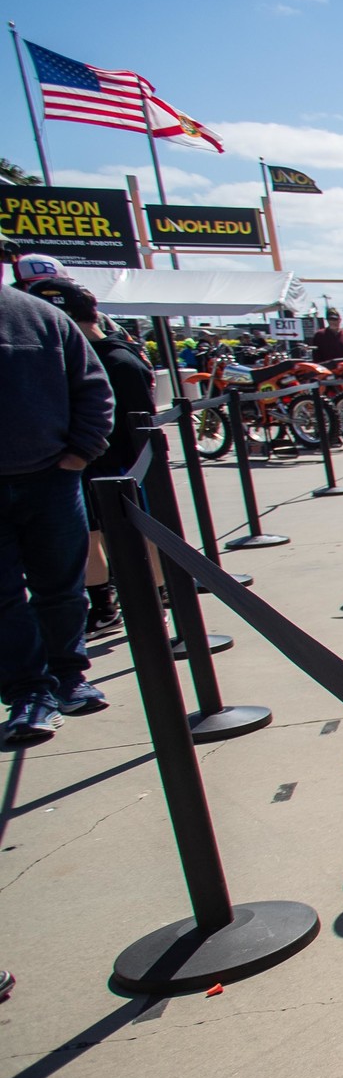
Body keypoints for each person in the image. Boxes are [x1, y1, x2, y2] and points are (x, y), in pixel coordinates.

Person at [0, 276, 114, 745]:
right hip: (47, 476)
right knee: (3, 597)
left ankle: (69, 674)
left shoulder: (41, 317)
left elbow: (94, 389)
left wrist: (78, 456)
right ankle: (28, 690)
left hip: (50, 479)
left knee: (63, 588)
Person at [42, 286, 155, 636]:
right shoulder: (109, 355)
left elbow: (139, 423)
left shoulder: (115, 360)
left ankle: (153, 601)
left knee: (137, 536)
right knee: (94, 538)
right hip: (99, 465)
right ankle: (110, 605)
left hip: (118, 465)